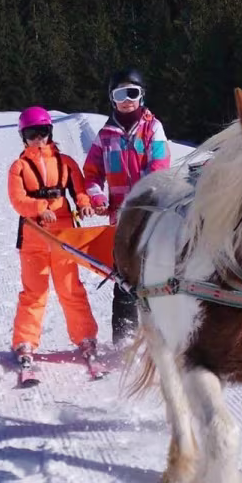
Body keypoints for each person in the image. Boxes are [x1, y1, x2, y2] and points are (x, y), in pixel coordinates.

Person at [82, 67, 171, 345]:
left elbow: (158, 169)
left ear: (142, 96)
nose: (127, 100)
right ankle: (124, 341)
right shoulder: (106, 136)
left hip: (150, 216)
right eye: (120, 94)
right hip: (120, 222)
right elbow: (91, 173)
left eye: (132, 93)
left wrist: (138, 205)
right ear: (112, 99)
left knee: (155, 276)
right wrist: (97, 198)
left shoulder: (152, 129)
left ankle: (160, 339)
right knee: (124, 280)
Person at [8, 106, 99, 373]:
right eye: (32, 134)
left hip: (64, 237)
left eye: (43, 132)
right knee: (34, 292)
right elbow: (17, 199)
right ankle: (25, 342)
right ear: (23, 136)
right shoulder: (19, 167)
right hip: (33, 238)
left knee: (71, 289)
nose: (38, 139)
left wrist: (84, 204)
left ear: (50, 132)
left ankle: (85, 338)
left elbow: (79, 190)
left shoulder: (65, 162)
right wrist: (39, 209)